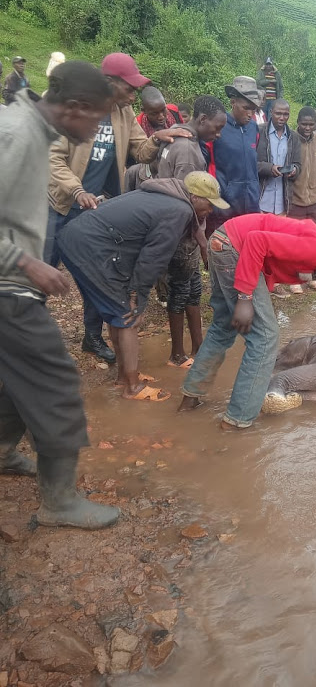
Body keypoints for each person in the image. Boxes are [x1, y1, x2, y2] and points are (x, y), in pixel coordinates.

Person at [0, 60, 120, 529]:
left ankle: (4, 452)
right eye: (95, 120)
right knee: (57, 382)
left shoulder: (31, 130)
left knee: (18, 374)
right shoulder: (17, 136)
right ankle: (59, 502)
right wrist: (27, 263)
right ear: (74, 108)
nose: (95, 132)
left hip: (13, 280)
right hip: (9, 287)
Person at [178, 213, 316, 430]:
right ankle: (237, 422)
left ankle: (191, 398)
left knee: (223, 327)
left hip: (224, 241)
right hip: (234, 248)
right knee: (265, 338)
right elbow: (256, 240)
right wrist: (244, 297)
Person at [46, 52, 189, 364]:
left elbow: (139, 150)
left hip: (100, 209)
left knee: (101, 275)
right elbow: (53, 159)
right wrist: (77, 190)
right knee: (43, 271)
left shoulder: (123, 114)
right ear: (110, 82)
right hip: (62, 205)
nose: (133, 94)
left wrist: (160, 138)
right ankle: (25, 338)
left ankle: (92, 338)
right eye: (130, 88)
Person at [58, 173, 228, 402]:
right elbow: (153, 257)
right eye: (209, 205)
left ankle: (123, 377)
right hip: (91, 248)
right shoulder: (180, 210)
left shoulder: (166, 194)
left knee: (117, 312)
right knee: (127, 315)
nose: (210, 211)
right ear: (195, 196)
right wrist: (136, 295)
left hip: (78, 239)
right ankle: (132, 387)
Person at [157, 96, 227, 367]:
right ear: (201, 120)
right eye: (216, 128)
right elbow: (187, 200)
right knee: (180, 290)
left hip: (184, 229)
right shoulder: (186, 150)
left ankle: (198, 345)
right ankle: (177, 354)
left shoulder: (185, 140)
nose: (218, 134)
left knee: (194, 288)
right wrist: (201, 241)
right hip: (180, 231)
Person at [256, 98, 301, 298]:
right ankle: (257, 282)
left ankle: (273, 282)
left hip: (282, 199)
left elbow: (298, 163)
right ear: (271, 112)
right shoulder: (259, 131)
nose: (282, 118)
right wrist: (269, 168)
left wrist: (294, 171)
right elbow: (252, 162)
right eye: (278, 113)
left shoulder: (294, 137)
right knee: (258, 242)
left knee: (276, 244)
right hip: (261, 197)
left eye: (285, 114)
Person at [206, 76, 261, 236]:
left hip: (250, 204)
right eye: (246, 108)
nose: (251, 114)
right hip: (224, 206)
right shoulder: (218, 128)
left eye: (254, 109)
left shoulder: (253, 129)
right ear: (233, 102)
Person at [287, 107, 316, 293]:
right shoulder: (291, 139)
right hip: (296, 201)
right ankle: (294, 279)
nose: (308, 127)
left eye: (311, 124)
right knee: (295, 242)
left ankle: (310, 276)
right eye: (304, 124)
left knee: (315, 241)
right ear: (298, 123)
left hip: (315, 199)